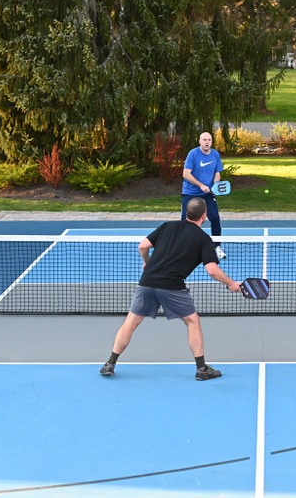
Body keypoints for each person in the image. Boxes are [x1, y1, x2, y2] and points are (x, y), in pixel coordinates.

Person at [100, 197, 241, 381]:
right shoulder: (203, 239)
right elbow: (212, 270)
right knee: (192, 321)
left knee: (131, 322)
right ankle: (202, 369)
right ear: (204, 216)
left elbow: (143, 245)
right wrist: (231, 283)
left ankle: (109, 363)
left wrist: (147, 263)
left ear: (186, 212)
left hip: (147, 281)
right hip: (172, 286)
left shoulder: (167, 226)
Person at [182, 131, 226, 260]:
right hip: (190, 192)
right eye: (204, 140)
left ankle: (217, 247)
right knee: (186, 220)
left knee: (214, 218)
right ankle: (184, 247)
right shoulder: (193, 154)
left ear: (211, 142)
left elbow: (217, 173)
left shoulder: (215, 154)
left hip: (208, 194)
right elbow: (186, 174)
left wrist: (215, 185)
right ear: (200, 141)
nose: (207, 142)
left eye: (209, 140)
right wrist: (201, 185)